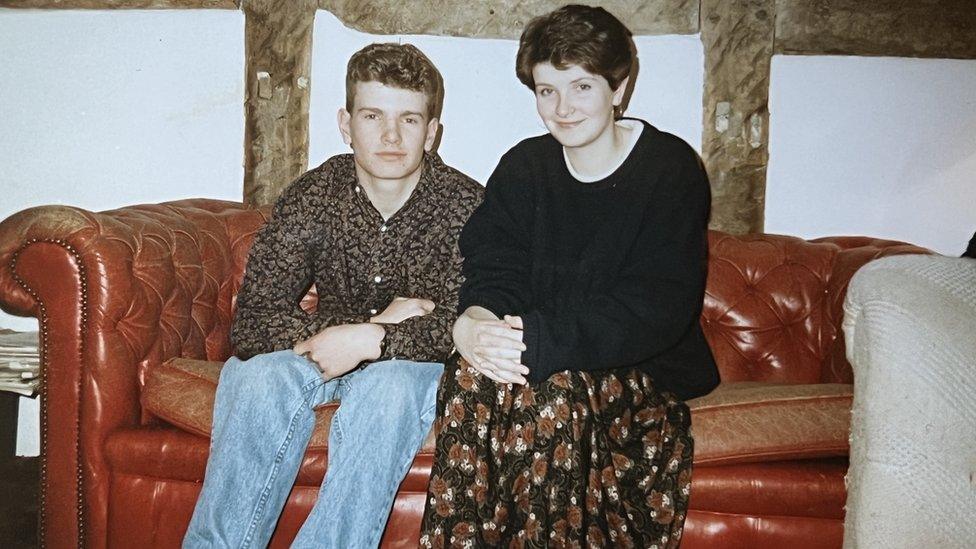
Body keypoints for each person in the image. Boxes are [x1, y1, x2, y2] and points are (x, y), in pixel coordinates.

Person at [420, 5, 720, 547]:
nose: (562, 107)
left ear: (619, 88)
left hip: (643, 373)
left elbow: (654, 305)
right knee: (466, 376)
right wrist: (472, 324)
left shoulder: (669, 169)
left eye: (582, 86)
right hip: (537, 353)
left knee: (551, 393)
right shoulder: (524, 167)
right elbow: (494, 266)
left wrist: (536, 342)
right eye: (546, 90)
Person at [183, 43, 483, 548]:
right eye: (373, 116)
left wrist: (378, 342)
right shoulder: (314, 194)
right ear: (346, 125)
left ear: (432, 133)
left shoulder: (468, 207)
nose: (391, 136)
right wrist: (363, 332)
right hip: (323, 356)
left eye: (409, 120)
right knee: (258, 376)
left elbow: (462, 327)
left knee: (391, 389)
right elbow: (254, 320)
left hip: (407, 374)